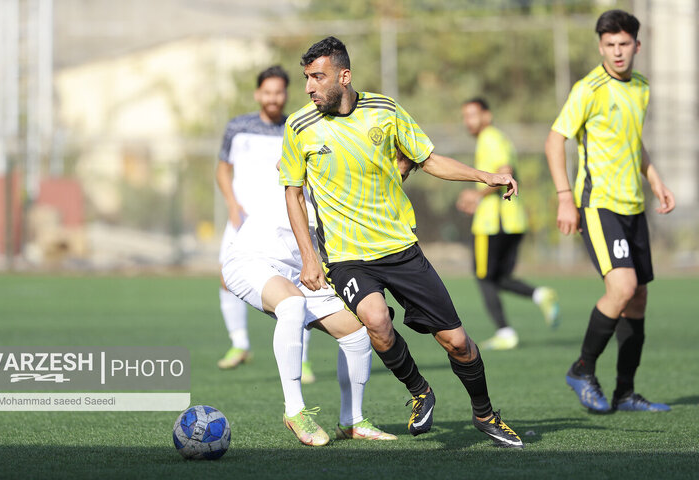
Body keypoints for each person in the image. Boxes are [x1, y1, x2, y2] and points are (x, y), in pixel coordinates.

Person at [280, 36, 524, 448]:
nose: (309, 87)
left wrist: (485, 176)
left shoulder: (385, 110)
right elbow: (292, 191)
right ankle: (420, 391)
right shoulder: (298, 126)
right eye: (306, 78)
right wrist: (309, 257)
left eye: (317, 77)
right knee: (376, 320)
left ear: (344, 75)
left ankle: (485, 415)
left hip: (401, 249)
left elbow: (428, 159)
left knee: (458, 343)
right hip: (347, 258)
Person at [221, 157, 403, 446]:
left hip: (301, 272)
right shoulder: (322, 155)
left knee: (356, 331)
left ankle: (352, 421)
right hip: (251, 260)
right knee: (292, 304)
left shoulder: (358, 195)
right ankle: (294, 411)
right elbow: (283, 163)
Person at [545, 10, 675, 413]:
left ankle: (625, 392)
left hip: (634, 207)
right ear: (601, 46)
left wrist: (655, 180)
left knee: (637, 300)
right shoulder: (589, 88)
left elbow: (633, 144)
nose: (617, 52)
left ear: (637, 45)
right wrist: (565, 196)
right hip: (598, 204)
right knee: (621, 288)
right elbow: (554, 141)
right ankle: (582, 370)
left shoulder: (641, 86)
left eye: (624, 44)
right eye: (609, 45)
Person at [215, 65, 314, 382]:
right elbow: (222, 169)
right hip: (243, 219)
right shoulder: (237, 126)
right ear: (259, 93)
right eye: (268, 92)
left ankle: (304, 359)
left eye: (279, 92)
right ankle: (239, 344)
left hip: (284, 220)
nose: (273, 98)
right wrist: (232, 204)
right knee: (225, 277)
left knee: (300, 284)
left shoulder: (295, 127)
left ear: (286, 94)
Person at [457, 98, 560, 351]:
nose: (468, 121)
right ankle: (539, 295)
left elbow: (504, 171)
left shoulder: (490, 138)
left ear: (487, 116)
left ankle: (505, 332)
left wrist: (476, 195)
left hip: (493, 222)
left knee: (483, 278)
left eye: (473, 115)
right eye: (465, 116)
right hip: (513, 221)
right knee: (498, 277)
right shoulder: (498, 138)